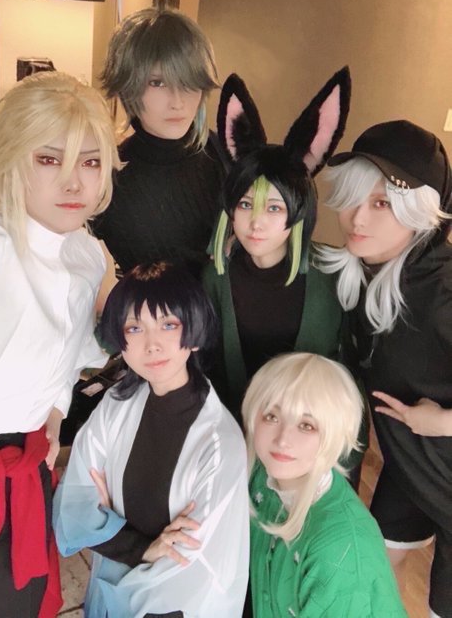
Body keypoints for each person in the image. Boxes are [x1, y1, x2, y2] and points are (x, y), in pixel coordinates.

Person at [0, 71, 118, 618]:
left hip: (21, 471)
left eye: (90, 162)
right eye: (48, 159)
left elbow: (69, 358)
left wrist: (56, 413)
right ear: (10, 157)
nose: (73, 183)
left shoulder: (89, 256)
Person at [53, 262, 249, 618]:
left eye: (169, 325)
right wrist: (143, 549)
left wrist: (111, 524)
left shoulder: (219, 443)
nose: (152, 345)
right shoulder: (116, 405)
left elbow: (190, 564)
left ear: (194, 330)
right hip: (105, 603)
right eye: (134, 328)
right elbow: (75, 507)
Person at [316, 120, 452, 618]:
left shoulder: (442, 294)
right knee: (371, 575)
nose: (357, 217)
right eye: (355, 197)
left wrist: (442, 421)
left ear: (420, 211)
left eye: (382, 203)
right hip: (411, 468)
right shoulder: (365, 270)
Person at [202, 69, 352, 421]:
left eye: (274, 208)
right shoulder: (216, 275)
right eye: (245, 205)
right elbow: (209, 363)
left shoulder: (333, 272)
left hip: (311, 435)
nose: (256, 223)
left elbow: (348, 367)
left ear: (299, 210)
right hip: (235, 428)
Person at [243, 352, 407, 617]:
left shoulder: (338, 550)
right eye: (272, 416)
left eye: (306, 425)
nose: (283, 439)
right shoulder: (263, 480)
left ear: (336, 435)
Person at [93, 0, 227, 278]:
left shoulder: (227, 159)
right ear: (128, 85)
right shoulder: (108, 178)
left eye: (188, 82)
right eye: (157, 83)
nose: (177, 102)